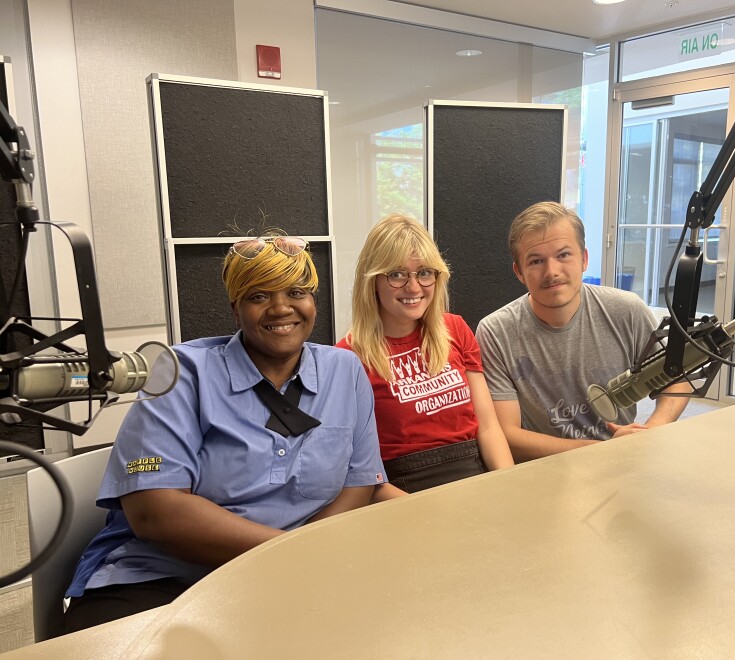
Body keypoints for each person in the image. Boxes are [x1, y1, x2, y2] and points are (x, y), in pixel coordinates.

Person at [63, 233, 385, 632]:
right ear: (236, 308)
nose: (281, 308)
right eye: (259, 296)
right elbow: (154, 511)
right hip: (164, 578)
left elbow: (360, 483)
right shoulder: (179, 372)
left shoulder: (345, 370)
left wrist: (305, 563)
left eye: (297, 292)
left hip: (295, 576)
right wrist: (292, 554)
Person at [475, 201, 689, 463]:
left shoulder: (627, 310)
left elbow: (677, 378)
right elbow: (507, 434)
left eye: (563, 255)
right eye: (536, 261)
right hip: (543, 471)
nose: (552, 272)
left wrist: (649, 430)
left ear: (584, 259)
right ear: (519, 272)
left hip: (622, 460)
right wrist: (599, 449)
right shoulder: (496, 332)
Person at [337, 214, 513, 494]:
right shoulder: (347, 357)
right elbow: (361, 474)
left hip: (474, 475)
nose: (414, 287)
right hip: (404, 490)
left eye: (424, 272)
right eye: (396, 274)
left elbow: (488, 428)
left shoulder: (455, 328)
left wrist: (509, 486)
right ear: (372, 281)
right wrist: (418, 511)